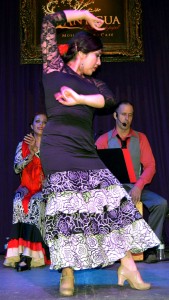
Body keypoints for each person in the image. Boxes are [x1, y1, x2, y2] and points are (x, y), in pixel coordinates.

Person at [40, 9, 160, 296]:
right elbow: (48, 22)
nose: (100, 62)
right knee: (67, 212)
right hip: (57, 148)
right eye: (98, 56)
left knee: (113, 205)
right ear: (82, 52)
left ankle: (127, 265)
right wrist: (83, 15)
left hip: (85, 151)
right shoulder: (53, 67)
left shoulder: (94, 84)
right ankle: (66, 274)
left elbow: (109, 101)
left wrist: (79, 97)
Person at [95, 100, 168, 263]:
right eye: (123, 114)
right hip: (113, 189)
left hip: (135, 186)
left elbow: (150, 166)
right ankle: (112, 250)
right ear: (115, 115)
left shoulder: (141, 138)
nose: (126, 118)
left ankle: (150, 246)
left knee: (161, 204)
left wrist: (139, 187)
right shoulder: (103, 140)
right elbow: (96, 170)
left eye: (130, 115)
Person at [4, 113, 50, 271]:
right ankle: (17, 253)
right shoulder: (22, 144)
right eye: (38, 121)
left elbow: (53, 168)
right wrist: (30, 154)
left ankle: (30, 256)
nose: (41, 124)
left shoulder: (52, 145)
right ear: (32, 125)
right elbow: (17, 168)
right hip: (26, 186)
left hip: (46, 188)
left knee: (36, 202)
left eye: (44, 122)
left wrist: (37, 151)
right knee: (18, 199)